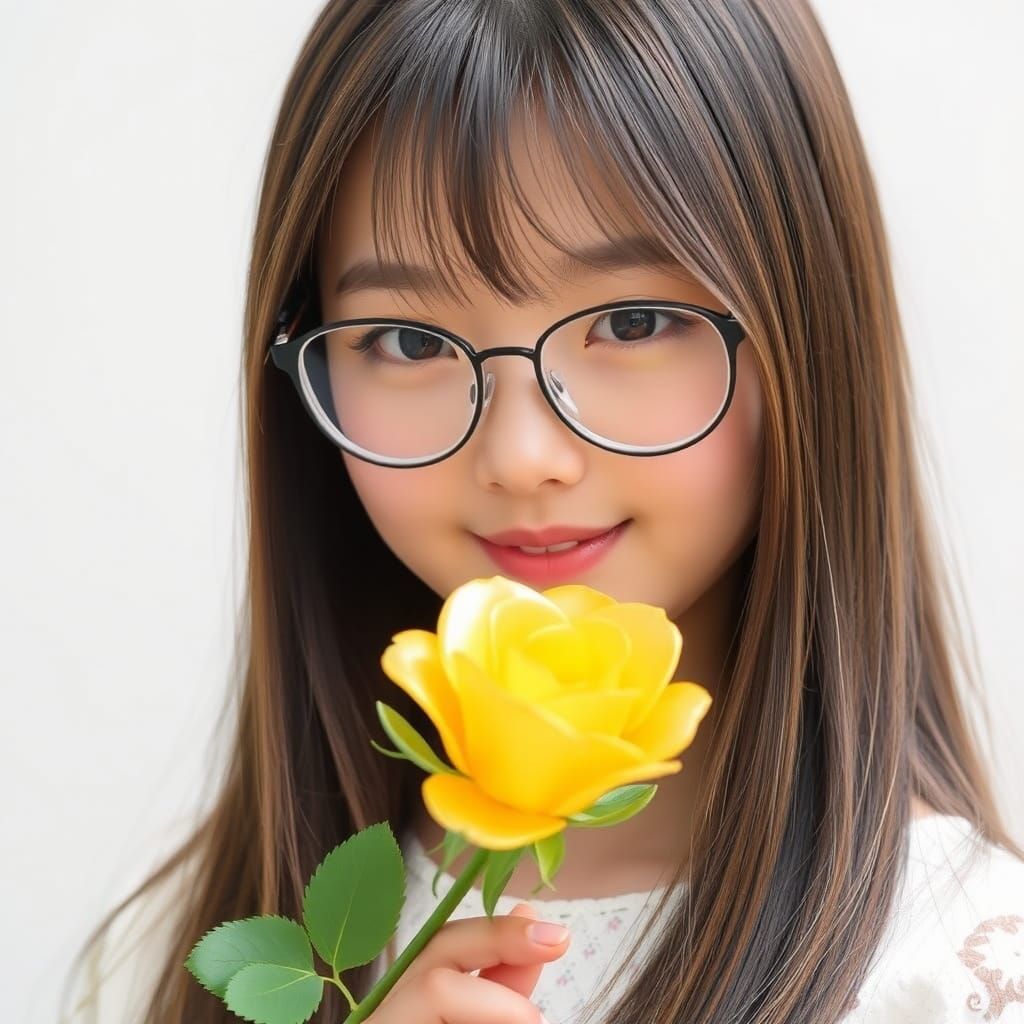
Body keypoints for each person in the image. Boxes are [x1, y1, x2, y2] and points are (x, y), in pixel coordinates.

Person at [60, 1, 1024, 1022]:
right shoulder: (181, 952)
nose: (521, 458)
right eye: (409, 342)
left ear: (807, 329)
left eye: (632, 321)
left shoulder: (951, 976)